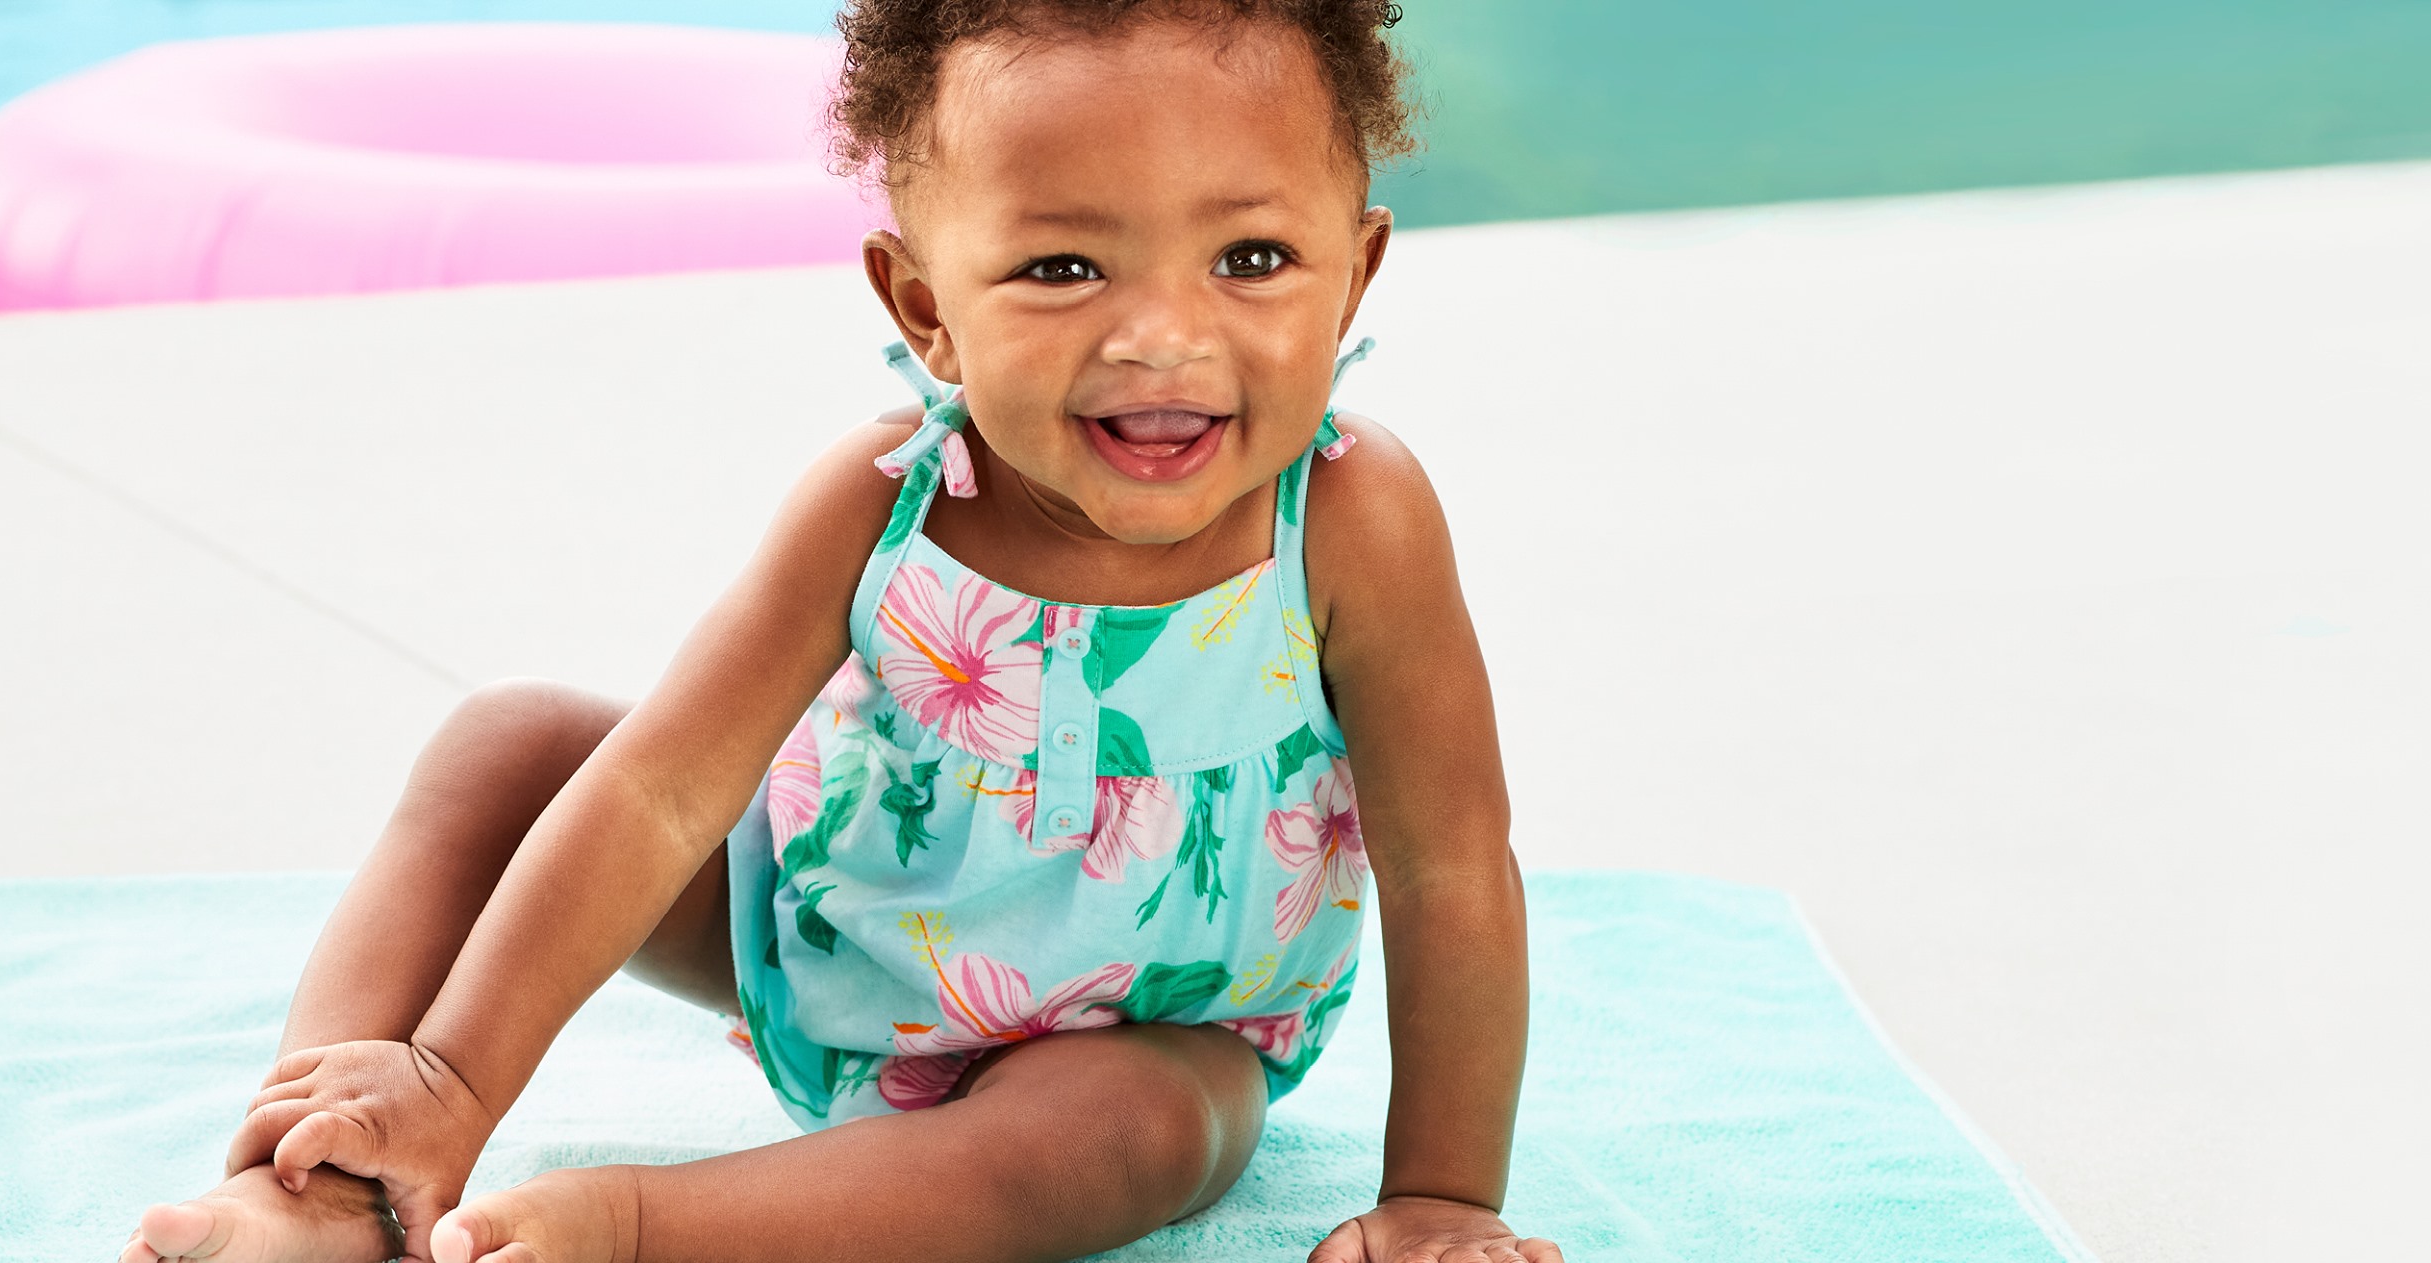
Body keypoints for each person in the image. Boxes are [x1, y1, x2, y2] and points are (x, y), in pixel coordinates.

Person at [123, 2, 1557, 1260]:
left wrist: (1442, 1196)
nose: (1162, 337)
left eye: (1250, 257)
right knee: (510, 746)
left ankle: (637, 1229)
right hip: (825, 943)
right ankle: (337, 1176)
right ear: (925, 309)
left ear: (1355, 274)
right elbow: (660, 792)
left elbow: (1450, 865)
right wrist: (453, 1071)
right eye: (1065, 269)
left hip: (1158, 1044)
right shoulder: (883, 504)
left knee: (1128, 1138)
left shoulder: (1351, 519)